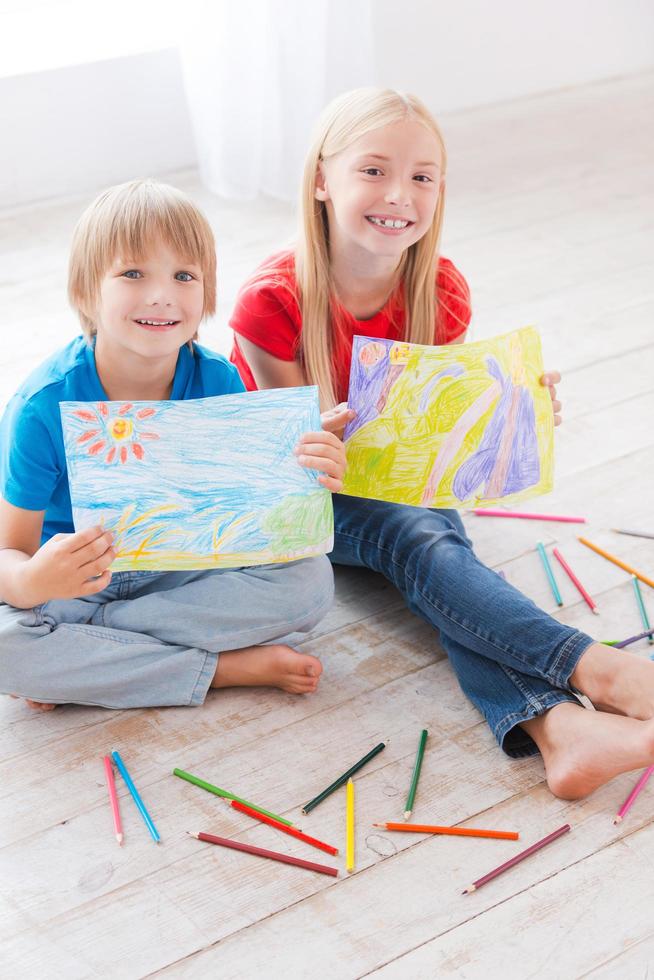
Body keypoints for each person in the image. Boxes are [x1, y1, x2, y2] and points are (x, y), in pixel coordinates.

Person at [229, 87, 654, 800]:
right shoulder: (270, 302)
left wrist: (509, 411)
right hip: (302, 496)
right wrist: (337, 436)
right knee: (423, 543)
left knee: (433, 547)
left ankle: (559, 731)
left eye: (422, 177)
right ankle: (599, 670)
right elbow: (295, 457)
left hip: (394, 490)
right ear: (321, 181)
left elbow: (434, 455)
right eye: (374, 169)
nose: (399, 193)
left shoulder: (441, 290)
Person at [0, 179, 345, 711]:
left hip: (184, 564)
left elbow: (254, 522)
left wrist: (302, 466)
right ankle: (219, 669)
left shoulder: (218, 381)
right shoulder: (42, 406)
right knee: (6, 649)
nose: (162, 295)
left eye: (184, 275)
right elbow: (10, 553)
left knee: (312, 582)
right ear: (86, 291)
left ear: (206, 294)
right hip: (78, 579)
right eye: (133, 273)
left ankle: (97, 653)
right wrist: (30, 581)